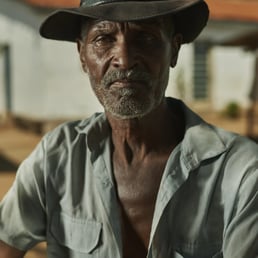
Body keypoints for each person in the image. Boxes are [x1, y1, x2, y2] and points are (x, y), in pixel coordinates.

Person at [0, 0, 258, 257]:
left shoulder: (242, 173)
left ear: (174, 51)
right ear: (81, 54)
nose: (124, 60)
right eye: (103, 39)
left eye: (145, 37)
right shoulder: (56, 157)